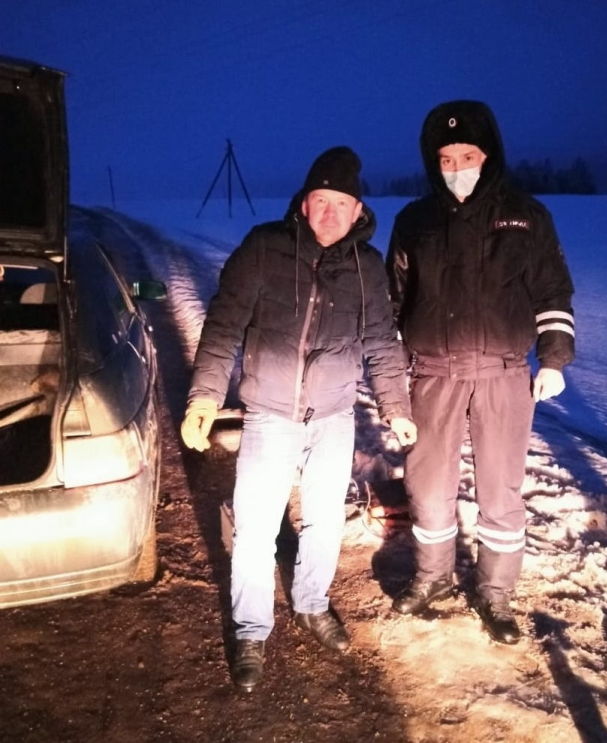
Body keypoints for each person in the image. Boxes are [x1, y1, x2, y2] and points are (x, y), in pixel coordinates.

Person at [181, 146, 416, 691]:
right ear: (303, 204)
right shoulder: (263, 249)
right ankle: (250, 628)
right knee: (257, 527)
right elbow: (222, 328)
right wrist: (204, 398)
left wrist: (396, 407)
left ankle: (311, 604)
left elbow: (381, 343)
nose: (330, 213)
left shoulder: (367, 267)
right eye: (320, 200)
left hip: (334, 416)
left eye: (342, 203)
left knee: (324, 520)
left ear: (358, 211)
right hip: (269, 416)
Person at [386, 101, 575, 644]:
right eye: (446, 158)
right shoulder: (413, 221)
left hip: (503, 374)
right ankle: (433, 577)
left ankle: (495, 594)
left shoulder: (527, 215)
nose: (457, 167)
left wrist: (555, 356)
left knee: (500, 488)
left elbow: (552, 290)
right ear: (433, 163)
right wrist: (393, 378)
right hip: (433, 374)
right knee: (427, 484)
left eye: (467, 155)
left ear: (488, 156)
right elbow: (392, 304)